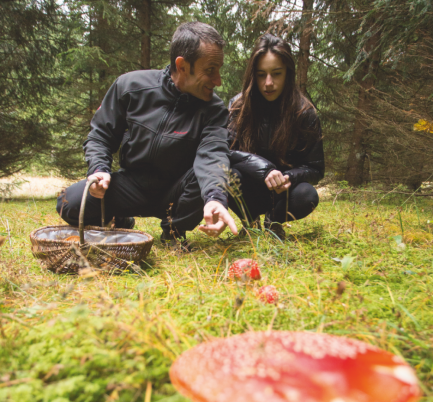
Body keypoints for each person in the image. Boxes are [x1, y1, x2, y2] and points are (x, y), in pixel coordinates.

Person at [56, 22, 237, 248]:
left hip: (177, 191)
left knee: (213, 175)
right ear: (182, 65)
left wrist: (215, 198)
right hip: (132, 185)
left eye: (219, 69)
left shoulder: (214, 110)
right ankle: (119, 220)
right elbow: (100, 135)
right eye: (210, 70)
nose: (217, 80)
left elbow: (213, 155)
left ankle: (173, 231)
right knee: (68, 203)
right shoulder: (130, 86)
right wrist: (99, 170)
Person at [227, 34, 324, 239]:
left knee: (308, 195)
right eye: (261, 74)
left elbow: (315, 168)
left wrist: (288, 177)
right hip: (248, 188)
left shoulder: (304, 113)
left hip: (284, 193)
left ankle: (274, 221)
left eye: (276, 74)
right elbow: (226, 152)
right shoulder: (238, 106)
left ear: (288, 73)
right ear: (253, 75)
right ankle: (250, 223)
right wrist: (265, 170)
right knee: (224, 174)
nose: (268, 83)